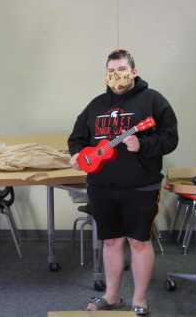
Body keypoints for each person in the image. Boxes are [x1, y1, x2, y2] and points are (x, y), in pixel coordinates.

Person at [68, 49, 178, 316]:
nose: (116, 75)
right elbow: (77, 138)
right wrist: (77, 155)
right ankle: (112, 296)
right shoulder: (95, 105)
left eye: (121, 69)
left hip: (141, 186)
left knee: (139, 242)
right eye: (111, 70)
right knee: (111, 242)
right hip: (102, 186)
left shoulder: (153, 101)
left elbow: (170, 138)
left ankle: (140, 300)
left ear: (134, 71)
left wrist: (142, 144)